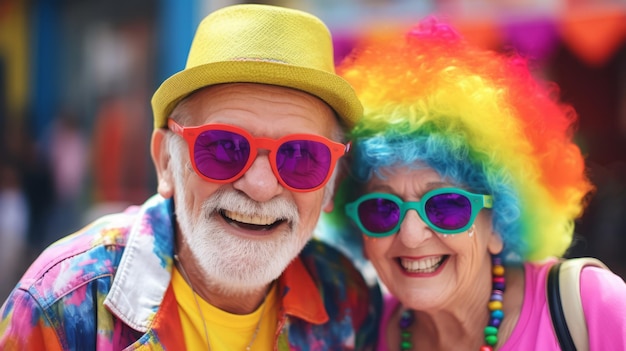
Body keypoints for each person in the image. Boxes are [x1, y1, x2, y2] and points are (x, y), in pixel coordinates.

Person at [0, 4, 380, 350]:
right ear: (166, 162)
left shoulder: (346, 299)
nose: (261, 187)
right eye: (224, 148)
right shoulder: (60, 307)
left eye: (301, 156)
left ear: (331, 182)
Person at [323, 17, 626, 350]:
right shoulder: (363, 335)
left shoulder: (590, 306)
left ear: (497, 224)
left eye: (445, 206)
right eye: (382, 209)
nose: (410, 236)